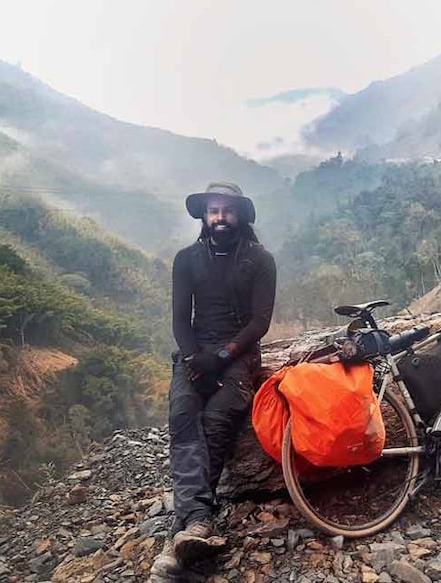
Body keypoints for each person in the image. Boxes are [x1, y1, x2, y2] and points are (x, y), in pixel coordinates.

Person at [151, 182, 276, 579]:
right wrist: (193, 359)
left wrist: (221, 358)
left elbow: (260, 322)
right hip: (195, 355)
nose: (220, 218)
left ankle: (187, 529)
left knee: (217, 420)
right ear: (204, 215)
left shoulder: (260, 260)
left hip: (238, 358)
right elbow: (179, 320)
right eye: (213, 211)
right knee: (183, 417)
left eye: (227, 211)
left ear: (239, 215)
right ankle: (197, 525)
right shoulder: (186, 259)